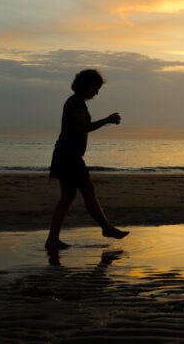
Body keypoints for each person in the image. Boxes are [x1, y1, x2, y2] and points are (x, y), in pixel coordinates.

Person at [45, 69, 129, 250]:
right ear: (87, 86)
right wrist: (107, 120)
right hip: (69, 155)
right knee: (87, 190)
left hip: (64, 153)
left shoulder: (75, 101)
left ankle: (53, 239)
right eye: (95, 88)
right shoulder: (76, 103)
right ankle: (106, 228)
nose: (96, 93)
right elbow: (81, 127)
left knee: (67, 196)